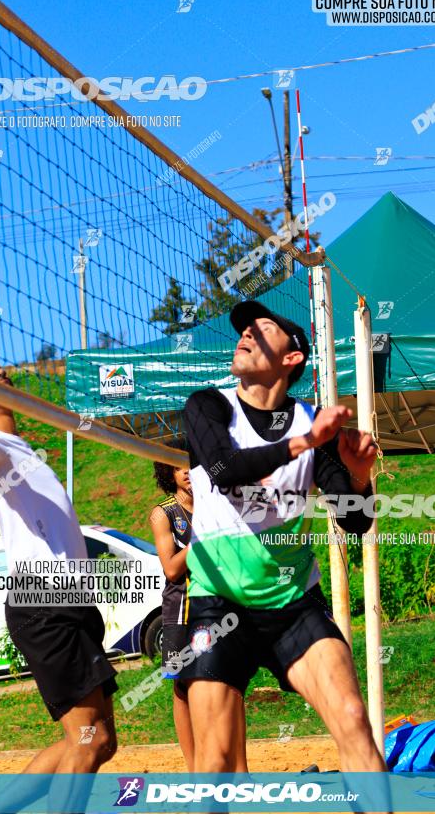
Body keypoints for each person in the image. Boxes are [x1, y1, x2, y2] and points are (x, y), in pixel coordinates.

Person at [181, 300, 387, 774]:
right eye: (245, 329)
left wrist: (358, 477)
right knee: (214, 761)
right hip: (218, 600)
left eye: (262, 327)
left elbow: (355, 520)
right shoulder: (208, 406)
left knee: (354, 718)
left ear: (292, 357)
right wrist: (306, 443)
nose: (246, 333)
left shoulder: (313, 422)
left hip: (293, 602)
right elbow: (224, 471)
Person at [0, 347, 117, 808]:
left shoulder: (21, 449)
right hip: (45, 603)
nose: (0, 371)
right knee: (88, 740)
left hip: (70, 601)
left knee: (97, 740)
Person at [149, 440, 248, 772]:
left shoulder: (216, 504)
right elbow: (172, 568)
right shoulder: (164, 514)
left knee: (231, 683)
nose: (187, 473)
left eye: (191, 465)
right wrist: (204, 535)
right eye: (178, 467)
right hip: (183, 607)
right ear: (168, 472)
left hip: (220, 604)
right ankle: (194, 770)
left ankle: (240, 768)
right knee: (182, 686)